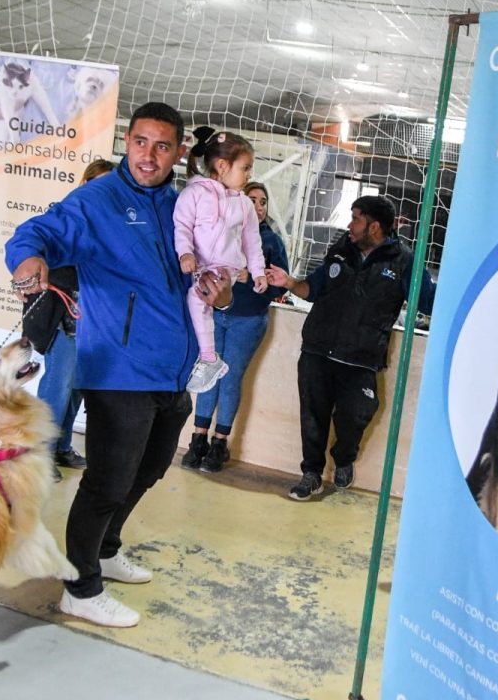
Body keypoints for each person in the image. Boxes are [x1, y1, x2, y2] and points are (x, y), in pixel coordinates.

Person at [6, 102, 231, 628]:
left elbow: (211, 282)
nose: (148, 156)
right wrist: (28, 260)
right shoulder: (97, 201)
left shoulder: (185, 205)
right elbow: (36, 234)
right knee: (108, 480)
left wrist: (219, 295)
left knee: (149, 470)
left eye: (162, 146)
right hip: (118, 368)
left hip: (174, 369)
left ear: (178, 152)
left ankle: (106, 551)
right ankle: (79, 587)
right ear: (126, 142)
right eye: (139, 142)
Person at [266, 195, 437, 500]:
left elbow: (428, 302)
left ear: (374, 226)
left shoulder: (404, 260)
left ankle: (344, 458)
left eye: (356, 218)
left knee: (357, 415)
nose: (349, 224)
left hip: (361, 358)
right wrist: (289, 282)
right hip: (318, 349)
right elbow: (312, 289)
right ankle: (311, 474)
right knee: (313, 415)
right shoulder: (340, 251)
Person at [181, 180, 288, 473]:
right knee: (209, 372)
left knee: (230, 379)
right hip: (216, 314)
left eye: (263, 201)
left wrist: (251, 280)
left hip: (248, 318)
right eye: (252, 199)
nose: (257, 206)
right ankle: (198, 438)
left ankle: (220, 442)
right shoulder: (221, 230)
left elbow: (278, 288)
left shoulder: (270, 242)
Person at [21, 159, 115, 482]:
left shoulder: (113, 225)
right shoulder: (65, 216)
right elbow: (33, 243)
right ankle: (40, 454)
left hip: (95, 320)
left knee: (76, 388)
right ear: (85, 184)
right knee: (58, 386)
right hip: (64, 316)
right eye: (98, 183)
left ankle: (61, 446)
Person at [173, 126, 267, 395]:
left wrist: (258, 270)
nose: (249, 175)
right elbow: (182, 226)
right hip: (198, 265)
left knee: (196, 299)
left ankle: (209, 357)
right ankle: (207, 358)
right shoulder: (194, 193)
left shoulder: (245, 204)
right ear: (223, 166)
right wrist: (185, 253)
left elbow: (252, 241)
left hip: (225, 269)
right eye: (245, 168)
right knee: (196, 305)